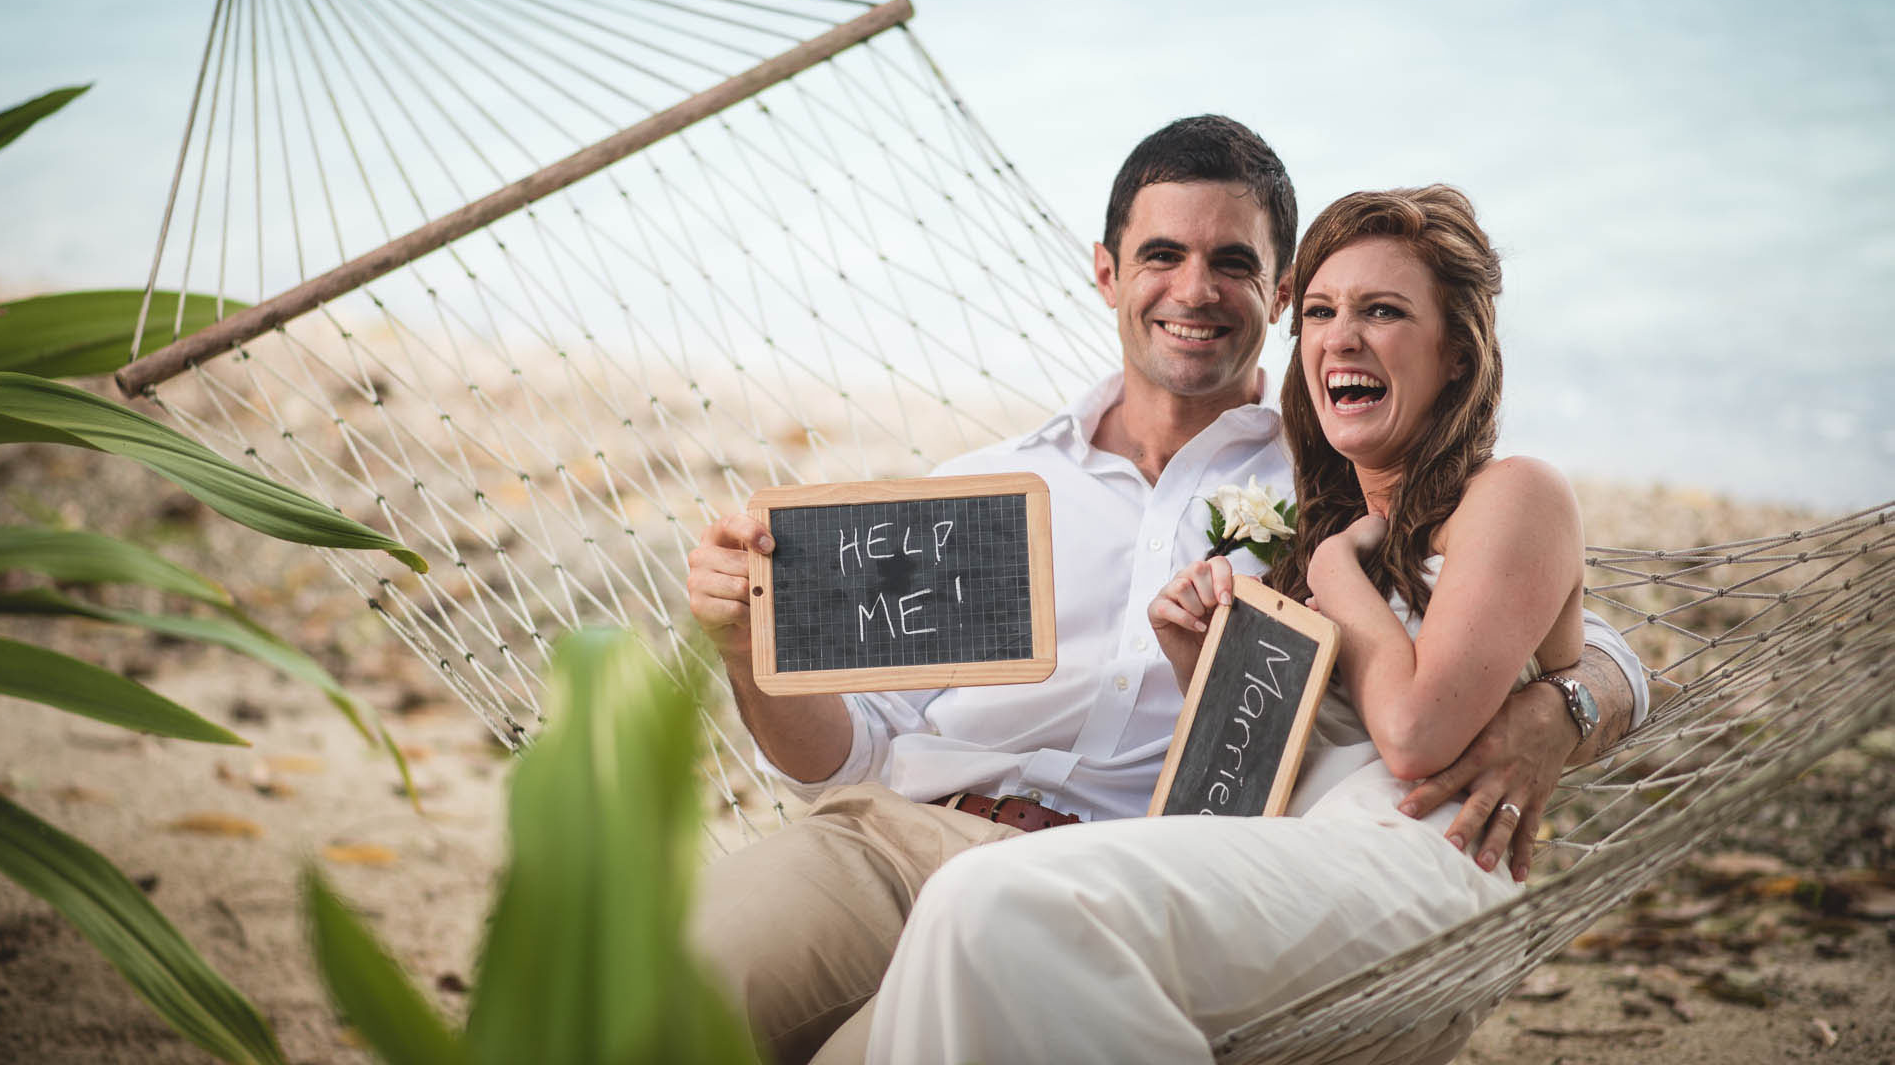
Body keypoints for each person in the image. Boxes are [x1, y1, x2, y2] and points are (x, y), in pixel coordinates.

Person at [684, 119, 1645, 1064]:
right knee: (648, 1010)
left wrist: (1562, 707)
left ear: (1274, 294)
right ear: (1106, 272)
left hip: (1116, 881)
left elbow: (1564, 633)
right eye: (1160, 255)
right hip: (886, 842)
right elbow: (844, 756)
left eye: (1231, 262)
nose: (1194, 290)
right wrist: (748, 655)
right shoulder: (977, 495)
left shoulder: (1335, 481)